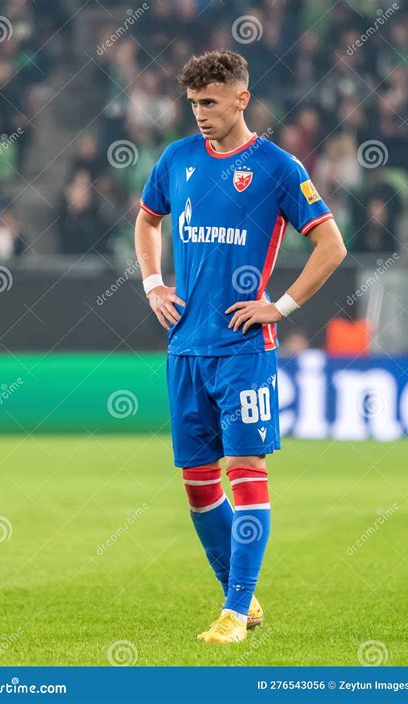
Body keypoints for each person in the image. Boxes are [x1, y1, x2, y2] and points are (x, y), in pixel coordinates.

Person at [134, 50, 347, 645]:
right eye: (193, 103)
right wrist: (153, 283)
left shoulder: (277, 167)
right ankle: (244, 599)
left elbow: (331, 245)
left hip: (243, 349)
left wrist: (279, 306)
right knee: (199, 483)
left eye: (210, 102)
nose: (200, 113)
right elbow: (147, 220)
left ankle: (232, 611)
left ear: (241, 99)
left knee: (246, 468)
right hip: (185, 348)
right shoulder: (177, 159)